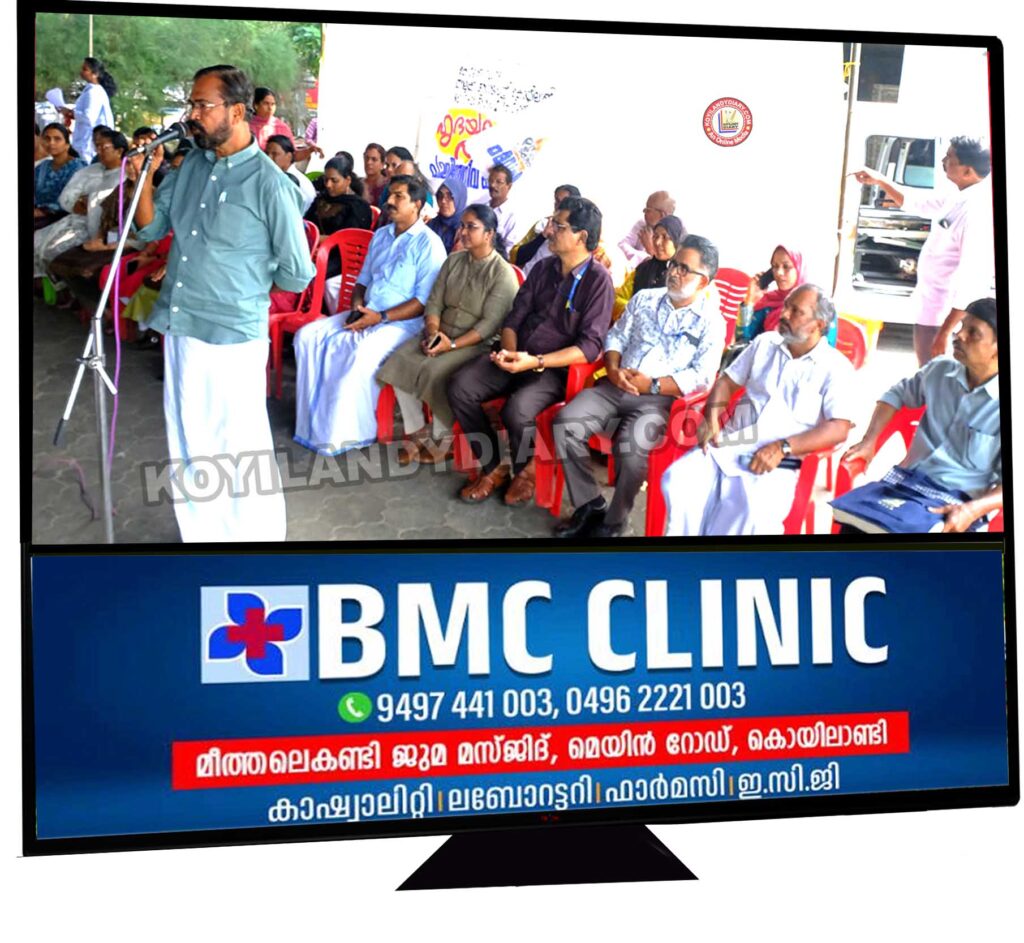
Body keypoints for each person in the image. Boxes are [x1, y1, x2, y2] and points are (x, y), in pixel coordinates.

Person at [131, 64, 315, 543]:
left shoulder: (270, 184)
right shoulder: (192, 165)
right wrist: (144, 178)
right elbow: (150, 229)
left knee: (237, 448)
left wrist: (243, 284)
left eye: (202, 104)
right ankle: (202, 536)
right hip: (181, 323)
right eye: (191, 104)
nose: (192, 114)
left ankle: (254, 541)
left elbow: (297, 273)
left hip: (232, 336)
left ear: (236, 112)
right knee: (189, 437)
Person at [553, 235, 725, 538]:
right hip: (616, 385)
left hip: (658, 402)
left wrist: (653, 386)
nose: (674, 272)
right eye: (674, 264)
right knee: (566, 423)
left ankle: (615, 520)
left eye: (684, 269)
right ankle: (589, 504)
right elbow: (616, 336)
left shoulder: (711, 322)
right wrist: (613, 368)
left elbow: (702, 375)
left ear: (703, 281)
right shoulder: (645, 298)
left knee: (631, 450)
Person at [448, 196, 614, 505]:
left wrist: (534, 361)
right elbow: (513, 319)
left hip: (552, 370)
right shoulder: (543, 268)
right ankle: (494, 466)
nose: (550, 230)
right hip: (516, 355)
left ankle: (525, 471)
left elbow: (589, 347)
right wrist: (512, 355)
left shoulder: (598, 282)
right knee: (461, 385)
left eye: (559, 226)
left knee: (517, 410)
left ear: (581, 237)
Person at [661, 284, 856, 536]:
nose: (784, 314)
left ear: (818, 325)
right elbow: (726, 382)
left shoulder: (835, 368)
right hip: (729, 445)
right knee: (678, 480)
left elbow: (839, 428)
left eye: (796, 311)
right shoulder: (765, 343)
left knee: (749, 513)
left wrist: (783, 447)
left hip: (779, 464)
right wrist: (711, 418)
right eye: (786, 306)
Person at [293, 174, 447, 455]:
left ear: (417, 204)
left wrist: (380, 318)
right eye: (390, 195)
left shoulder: (429, 244)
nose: (390, 201)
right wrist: (357, 308)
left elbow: (423, 302)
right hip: (368, 312)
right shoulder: (382, 235)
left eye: (399, 196)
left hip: (402, 325)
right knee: (307, 337)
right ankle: (311, 423)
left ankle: (349, 433)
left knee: (358, 354)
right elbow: (362, 281)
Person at [833, 297, 1000, 534]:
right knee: (854, 525)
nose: (959, 335)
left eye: (973, 333)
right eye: (962, 327)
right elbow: (895, 395)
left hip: (959, 504)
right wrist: (869, 441)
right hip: (905, 484)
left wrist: (972, 510)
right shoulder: (940, 370)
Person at [378, 203, 520, 464]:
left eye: (471, 227)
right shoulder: (453, 260)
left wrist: (451, 345)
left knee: (435, 372)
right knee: (400, 361)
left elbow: (488, 326)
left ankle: (443, 440)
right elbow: (434, 302)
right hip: (440, 333)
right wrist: (433, 332)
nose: (463, 232)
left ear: (489, 234)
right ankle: (417, 432)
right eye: (462, 226)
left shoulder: (502, 274)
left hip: (475, 344)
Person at [853, 136, 994, 365]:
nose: (943, 161)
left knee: (935, 375)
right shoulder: (956, 196)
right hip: (932, 305)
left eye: (950, 157)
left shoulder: (975, 212)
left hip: (945, 314)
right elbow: (918, 202)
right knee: (928, 372)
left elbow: (972, 281)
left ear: (967, 171)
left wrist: (946, 331)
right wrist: (880, 181)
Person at [34, 127, 127, 279]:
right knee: (37, 242)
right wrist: (76, 204)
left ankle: (60, 286)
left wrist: (90, 204)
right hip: (77, 219)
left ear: (119, 151)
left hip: (102, 228)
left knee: (53, 250)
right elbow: (66, 197)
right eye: (97, 147)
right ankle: (45, 284)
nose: (99, 152)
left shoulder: (126, 174)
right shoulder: (90, 170)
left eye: (104, 148)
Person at [304, 152, 373, 314]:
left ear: (347, 180)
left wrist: (319, 241)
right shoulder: (322, 199)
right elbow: (307, 225)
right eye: (326, 180)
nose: (328, 185)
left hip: (343, 258)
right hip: (315, 250)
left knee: (312, 274)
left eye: (334, 181)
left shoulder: (358, 207)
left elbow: (350, 240)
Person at [512, 183, 580, 275]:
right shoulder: (542, 224)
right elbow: (518, 256)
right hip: (525, 277)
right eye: (556, 201)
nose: (558, 206)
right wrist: (542, 236)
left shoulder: (576, 234)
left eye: (563, 203)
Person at [61, 57, 116, 164]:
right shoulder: (91, 90)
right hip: (85, 140)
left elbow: (89, 117)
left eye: (85, 69)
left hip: (88, 142)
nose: (81, 72)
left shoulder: (94, 92)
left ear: (95, 74)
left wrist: (71, 113)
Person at [248, 86, 323, 162]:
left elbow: (293, 155)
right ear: (256, 105)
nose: (270, 108)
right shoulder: (246, 128)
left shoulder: (282, 128)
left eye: (273, 104)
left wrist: (310, 150)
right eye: (266, 103)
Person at [34, 122, 87, 227]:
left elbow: (74, 200)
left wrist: (43, 211)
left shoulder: (78, 167)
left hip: (67, 219)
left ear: (67, 144)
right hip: (39, 217)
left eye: (57, 139)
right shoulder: (42, 167)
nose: (51, 143)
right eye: (47, 138)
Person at [618, 191, 677, 269]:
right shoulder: (642, 224)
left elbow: (667, 268)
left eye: (648, 210)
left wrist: (651, 250)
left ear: (662, 215)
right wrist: (643, 257)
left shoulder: (676, 235)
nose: (644, 213)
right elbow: (622, 245)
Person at [474, 163, 525, 247]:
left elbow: (508, 248)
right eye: (490, 180)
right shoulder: (480, 208)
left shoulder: (512, 216)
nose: (492, 185)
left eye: (499, 182)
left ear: (509, 186)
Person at [266, 133, 316, 213]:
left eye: (275, 154)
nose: (268, 158)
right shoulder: (273, 177)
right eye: (267, 153)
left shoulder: (297, 182)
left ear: (289, 156)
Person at [427, 174, 469, 253]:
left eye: (450, 196)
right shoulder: (431, 224)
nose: (443, 201)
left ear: (460, 199)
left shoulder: (466, 230)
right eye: (440, 196)